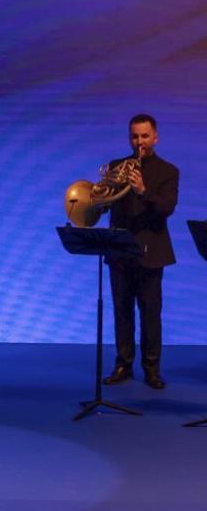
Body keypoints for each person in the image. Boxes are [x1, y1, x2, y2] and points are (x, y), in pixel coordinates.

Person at [103, 114, 179, 389]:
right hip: (121, 251)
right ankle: (123, 364)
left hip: (151, 252)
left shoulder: (168, 171)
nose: (139, 142)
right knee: (122, 311)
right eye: (135, 136)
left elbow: (166, 208)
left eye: (145, 136)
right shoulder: (116, 166)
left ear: (155, 137)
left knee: (150, 312)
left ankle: (151, 369)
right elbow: (105, 204)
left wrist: (143, 190)